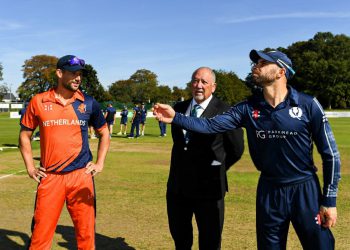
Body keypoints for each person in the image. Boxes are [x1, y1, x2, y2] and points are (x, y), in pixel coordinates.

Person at [153, 51, 341, 250]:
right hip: (269, 189)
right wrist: (176, 117)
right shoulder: (247, 108)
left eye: (262, 62)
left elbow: (331, 155)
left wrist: (329, 200)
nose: (255, 66)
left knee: (320, 246)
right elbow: (210, 125)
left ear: (281, 71)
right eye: (255, 62)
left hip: (304, 188)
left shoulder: (308, 104)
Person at [19, 55, 110, 250]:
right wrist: (30, 167)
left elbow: (104, 133)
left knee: (86, 235)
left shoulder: (88, 102)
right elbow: (25, 135)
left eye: (80, 74)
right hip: (50, 177)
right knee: (40, 237)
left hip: (81, 177)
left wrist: (99, 163)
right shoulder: (38, 101)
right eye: (73, 73)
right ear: (60, 73)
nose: (78, 78)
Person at [165, 67, 244, 250]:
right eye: (195, 81)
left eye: (204, 82)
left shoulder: (226, 111)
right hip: (178, 188)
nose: (198, 85)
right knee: (180, 238)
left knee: (210, 241)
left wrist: (217, 168)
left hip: (209, 189)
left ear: (213, 87)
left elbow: (236, 149)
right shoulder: (178, 109)